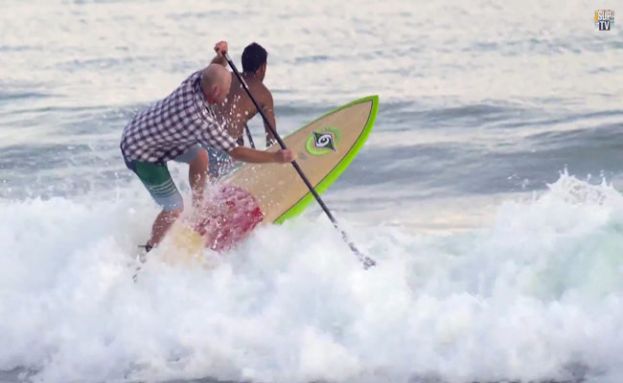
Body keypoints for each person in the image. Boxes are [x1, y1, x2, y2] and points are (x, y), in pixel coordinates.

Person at [120, 41, 294, 251]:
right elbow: (236, 152)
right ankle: (149, 250)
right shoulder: (199, 118)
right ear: (214, 90)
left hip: (152, 133)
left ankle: (199, 208)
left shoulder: (196, 80)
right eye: (226, 91)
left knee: (200, 156)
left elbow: (214, 69)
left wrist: (220, 56)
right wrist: (274, 158)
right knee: (174, 207)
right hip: (141, 152)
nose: (227, 96)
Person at [208, 41, 277, 177]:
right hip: (230, 150)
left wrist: (220, 56)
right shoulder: (264, 94)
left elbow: (211, 70)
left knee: (210, 188)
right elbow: (271, 138)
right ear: (262, 68)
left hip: (207, 142)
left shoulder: (226, 77)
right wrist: (273, 166)